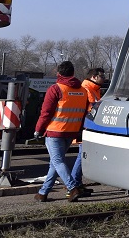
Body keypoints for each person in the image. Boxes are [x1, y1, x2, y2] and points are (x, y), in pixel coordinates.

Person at [33, 61, 89, 202]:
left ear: (58, 73)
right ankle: (43, 193)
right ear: (73, 73)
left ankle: (72, 188)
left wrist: (38, 130)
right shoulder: (83, 91)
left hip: (55, 131)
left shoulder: (56, 89)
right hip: (71, 131)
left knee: (57, 161)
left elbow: (45, 113)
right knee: (55, 162)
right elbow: (83, 113)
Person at [70, 67, 105, 195]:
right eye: (102, 75)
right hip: (85, 128)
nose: (104, 78)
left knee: (83, 155)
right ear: (94, 77)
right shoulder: (86, 89)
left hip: (89, 127)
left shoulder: (94, 89)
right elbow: (90, 109)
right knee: (81, 155)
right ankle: (74, 184)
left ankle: (76, 183)